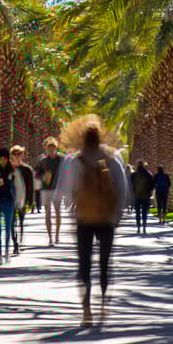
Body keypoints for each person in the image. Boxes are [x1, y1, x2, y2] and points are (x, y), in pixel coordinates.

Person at [59, 115, 128, 328]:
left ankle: (86, 309)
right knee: (105, 264)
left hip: (84, 219)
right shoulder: (112, 157)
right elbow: (122, 188)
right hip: (106, 219)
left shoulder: (75, 160)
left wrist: (74, 209)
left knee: (85, 265)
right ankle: (104, 305)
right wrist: (117, 214)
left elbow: (68, 191)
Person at [36, 137, 65, 246]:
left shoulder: (61, 159)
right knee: (47, 212)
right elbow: (37, 173)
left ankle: (57, 236)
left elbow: (67, 171)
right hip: (46, 189)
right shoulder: (42, 160)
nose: (51, 149)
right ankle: (50, 238)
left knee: (57, 212)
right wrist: (44, 177)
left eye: (53, 147)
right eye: (49, 147)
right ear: (46, 148)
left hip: (58, 189)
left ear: (56, 147)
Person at [11, 145, 35, 253]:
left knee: (21, 221)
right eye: (15, 154)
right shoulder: (8, 169)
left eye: (19, 153)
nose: (17, 156)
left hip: (22, 199)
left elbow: (30, 187)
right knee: (11, 223)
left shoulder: (27, 169)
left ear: (22, 155)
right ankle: (15, 242)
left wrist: (30, 201)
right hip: (10, 199)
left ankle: (19, 240)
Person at [131, 161, 154, 234]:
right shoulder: (148, 174)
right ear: (144, 165)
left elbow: (131, 184)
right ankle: (144, 226)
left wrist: (134, 191)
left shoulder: (134, 175)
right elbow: (153, 184)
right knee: (144, 212)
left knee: (137, 213)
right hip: (146, 196)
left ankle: (138, 227)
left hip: (137, 196)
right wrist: (149, 191)